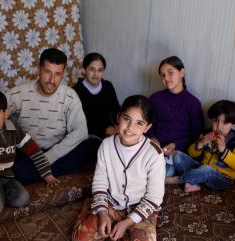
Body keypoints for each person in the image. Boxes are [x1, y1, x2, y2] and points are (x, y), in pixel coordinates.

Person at [0, 48, 90, 182]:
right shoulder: (20, 93)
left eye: (58, 74)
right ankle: (30, 172)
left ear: (63, 74)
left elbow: (81, 131)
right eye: (47, 72)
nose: (51, 80)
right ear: (39, 70)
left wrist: (48, 158)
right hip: (28, 151)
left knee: (85, 148)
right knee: (16, 166)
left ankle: (29, 172)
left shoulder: (70, 96)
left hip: (56, 150)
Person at [72, 95, 165, 241]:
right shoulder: (106, 145)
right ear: (118, 117)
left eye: (139, 123)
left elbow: (154, 197)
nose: (130, 128)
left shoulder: (154, 154)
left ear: (147, 127)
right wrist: (102, 213)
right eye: (126, 119)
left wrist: (126, 223)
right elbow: (100, 182)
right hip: (111, 202)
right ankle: (95, 207)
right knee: (81, 237)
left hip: (140, 208)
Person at [166, 100, 235, 193]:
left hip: (221, 179)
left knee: (207, 169)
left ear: (233, 125)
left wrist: (224, 151)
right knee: (177, 155)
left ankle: (176, 180)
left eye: (225, 123)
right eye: (215, 121)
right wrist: (200, 144)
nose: (219, 127)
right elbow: (191, 153)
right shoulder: (207, 134)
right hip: (201, 169)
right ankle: (193, 183)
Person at [147, 56, 203, 177]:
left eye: (170, 73)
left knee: (166, 170)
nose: (166, 78)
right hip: (155, 147)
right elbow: (147, 122)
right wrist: (152, 138)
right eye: (162, 75)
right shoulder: (155, 98)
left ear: (182, 72)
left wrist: (176, 145)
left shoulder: (193, 103)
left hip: (177, 151)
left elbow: (195, 135)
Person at [73, 52, 120, 139]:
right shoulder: (75, 91)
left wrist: (119, 124)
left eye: (100, 70)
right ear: (84, 70)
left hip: (110, 131)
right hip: (87, 134)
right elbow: (78, 123)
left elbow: (116, 109)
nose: (96, 74)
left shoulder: (108, 86)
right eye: (92, 69)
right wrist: (105, 130)